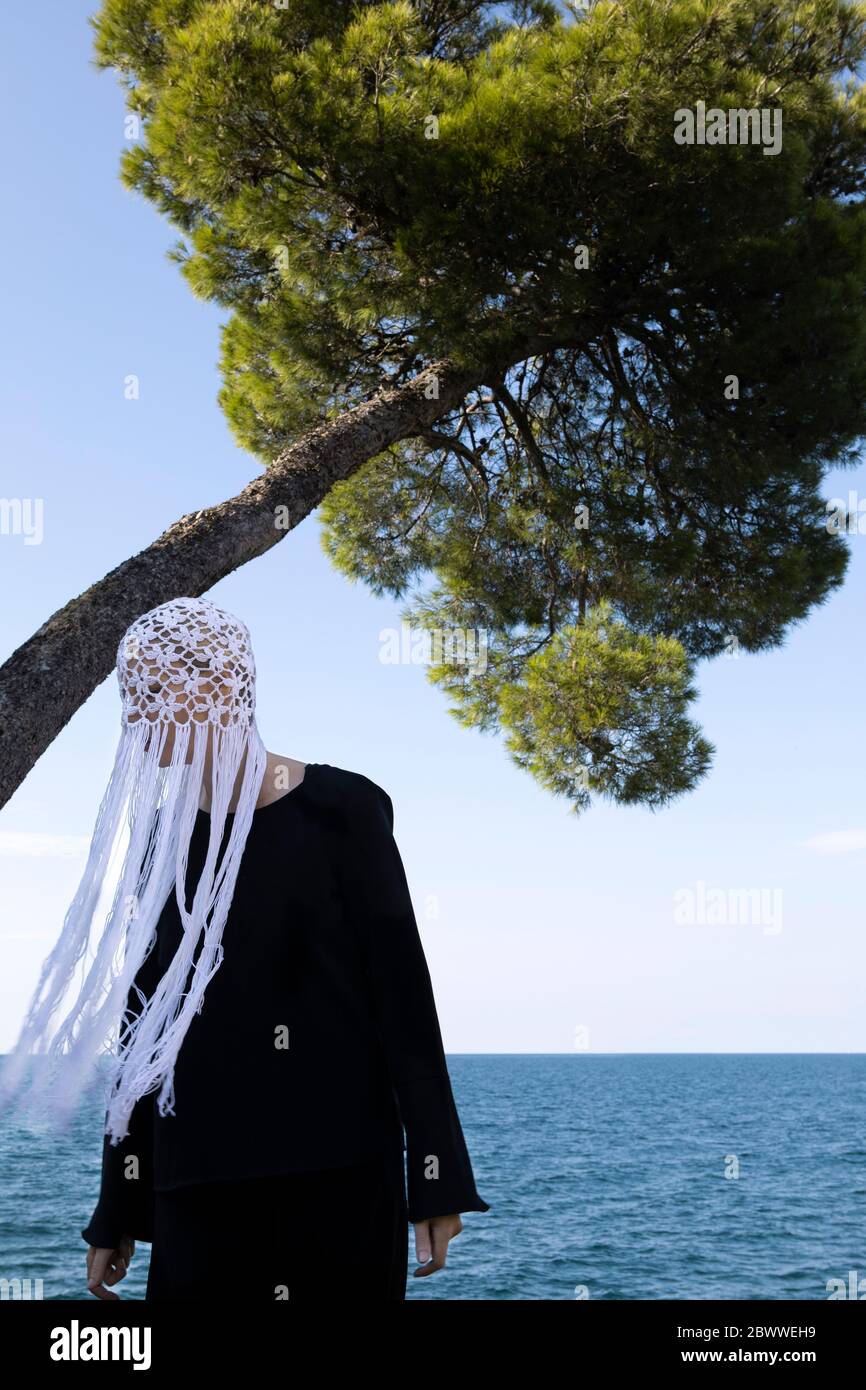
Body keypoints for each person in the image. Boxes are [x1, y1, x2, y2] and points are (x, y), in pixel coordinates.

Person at [62, 598, 489, 1301]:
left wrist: (437, 1174)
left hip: (339, 1178)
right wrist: (119, 1205)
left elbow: (404, 1001)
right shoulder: (160, 842)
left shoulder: (342, 810)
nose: (135, 712)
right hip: (193, 1185)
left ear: (221, 683)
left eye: (151, 687)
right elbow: (141, 1034)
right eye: (128, 691)